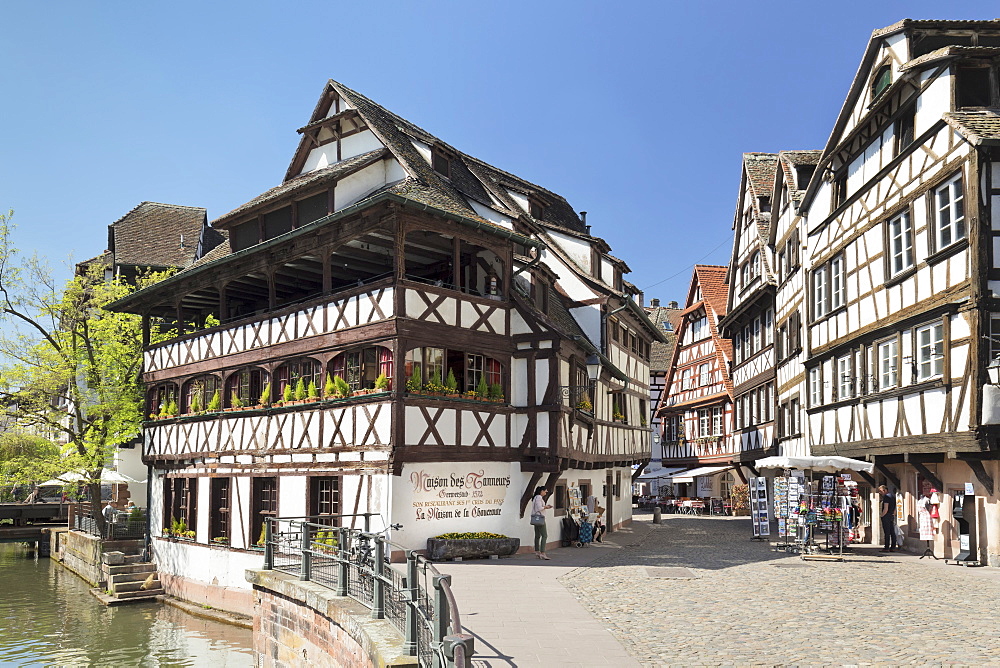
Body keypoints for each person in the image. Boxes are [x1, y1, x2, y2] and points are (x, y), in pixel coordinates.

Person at [531, 486, 553, 560]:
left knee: (537, 535)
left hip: (536, 518)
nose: (546, 492)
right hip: (540, 518)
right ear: (541, 491)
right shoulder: (539, 498)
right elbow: (539, 508)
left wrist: (546, 506)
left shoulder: (536, 497)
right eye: (545, 491)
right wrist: (546, 507)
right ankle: (542, 552)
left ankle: (537, 551)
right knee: (544, 535)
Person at [878, 485, 898, 552]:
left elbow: (886, 508)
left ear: (885, 490)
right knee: (892, 532)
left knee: (887, 532)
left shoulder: (886, 497)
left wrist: (882, 515)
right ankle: (893, 547)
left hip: (886, 516)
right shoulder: (892, 496)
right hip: (891, 515)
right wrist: (893, 514)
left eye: (881, 491)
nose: (880, 493)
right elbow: (895, 507)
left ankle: (886, 547)